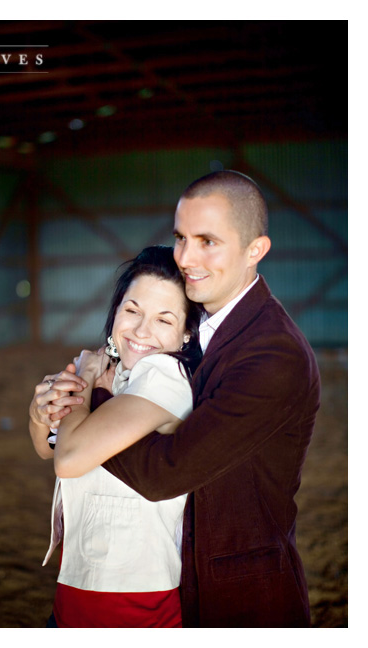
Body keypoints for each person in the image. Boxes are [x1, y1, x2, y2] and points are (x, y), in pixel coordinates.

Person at [35, 170, 320, 627]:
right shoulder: (204, 327)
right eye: (181, 237)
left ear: (255, 250)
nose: (186, 256)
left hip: (240, 602)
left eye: (208, 241)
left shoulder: (274, 354)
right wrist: (49, 410)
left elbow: (165, 471)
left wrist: (93, 393)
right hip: (173, 584)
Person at [29, 246, 203, 627]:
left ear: (187, 333)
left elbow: (69, 458)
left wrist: (86, 379)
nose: (141, 331)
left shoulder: (167, 378)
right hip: (74, 596)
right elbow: (45, 447)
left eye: (164, 319)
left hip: (137, 609)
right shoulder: (118, 373)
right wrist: (39, 411)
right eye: (132, 310)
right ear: (116, 310)